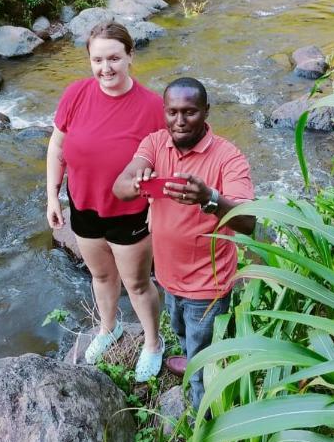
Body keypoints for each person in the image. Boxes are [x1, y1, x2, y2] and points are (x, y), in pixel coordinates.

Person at [113, 77, 255, 408]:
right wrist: (136, 181)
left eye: (189, 112)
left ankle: (201, 415)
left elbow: (249, 221)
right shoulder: (154, 144)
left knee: (205, 359)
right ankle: (189, 356)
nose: (179, 121)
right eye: (172, 112)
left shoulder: (228, 157)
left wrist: (210, 198)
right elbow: (120, 187)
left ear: (206, 111)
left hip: (208, 285)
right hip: (167, 276)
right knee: (180, 332)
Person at [46, 21, 165, 381]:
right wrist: (52, 195)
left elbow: (165, 165)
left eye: (114, 58)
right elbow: (57, 147)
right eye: (97, 60)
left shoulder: (152, 107)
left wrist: (159, 209)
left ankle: (153, 342)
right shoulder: (76, 94)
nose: (106, 68)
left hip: (129, 212)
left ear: (130, 56)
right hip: (83, 206)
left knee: (138, 284)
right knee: (100, 274)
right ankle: (108, 327)